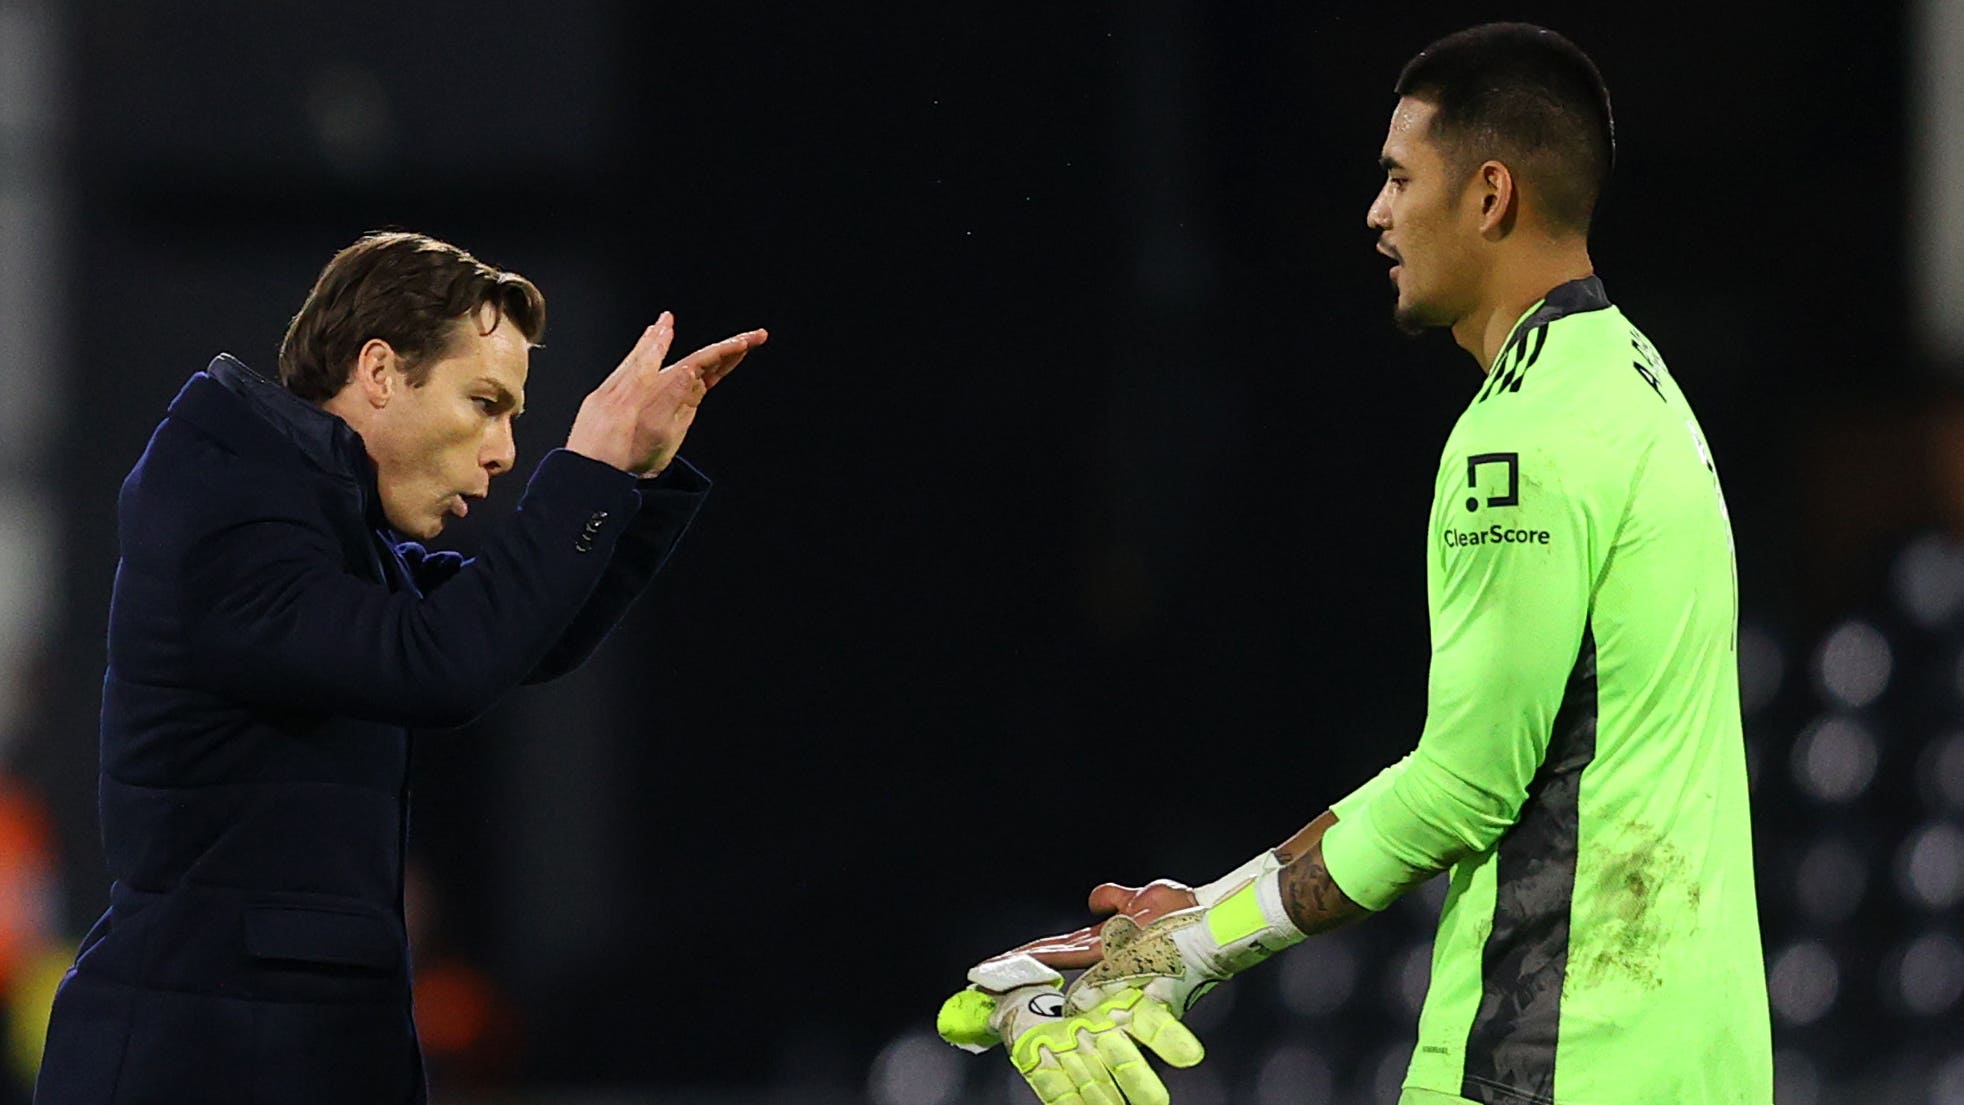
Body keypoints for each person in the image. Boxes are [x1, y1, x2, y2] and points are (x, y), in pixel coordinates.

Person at [941, 23, 1771, 1105]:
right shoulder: (1634, 385)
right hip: (1691, 1053)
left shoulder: (1516, 438)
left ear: (1486, 196)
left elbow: (1464, 789)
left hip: (1551, 1055)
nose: (1375, 214)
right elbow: (1481, 759)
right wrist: (1199, 908)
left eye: (1394, 178)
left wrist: (1197, 952)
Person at [34, 231, 765, 1104]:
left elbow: (515, 635)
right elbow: (442, 663)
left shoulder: (320, 521)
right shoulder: (226, 508)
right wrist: (587, 472)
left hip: (280, 1055)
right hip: (201, 1063)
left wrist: (628, 484)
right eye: (485, 402)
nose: (502, 452)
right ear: (380, 372)